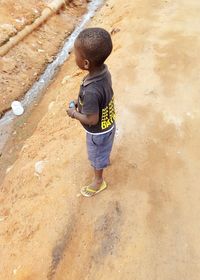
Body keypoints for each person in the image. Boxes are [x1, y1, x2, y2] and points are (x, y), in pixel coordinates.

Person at [67, 27, 116, 197]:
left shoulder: (92, 91)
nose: (74, 57)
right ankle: (103, 159)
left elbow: (92, 119)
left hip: (98, 132)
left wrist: (73, 113)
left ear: (86, 63)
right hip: (108, 123)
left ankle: (98, 182)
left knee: (97, 156)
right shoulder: (103, 71)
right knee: (102, 150)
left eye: (76, 55)